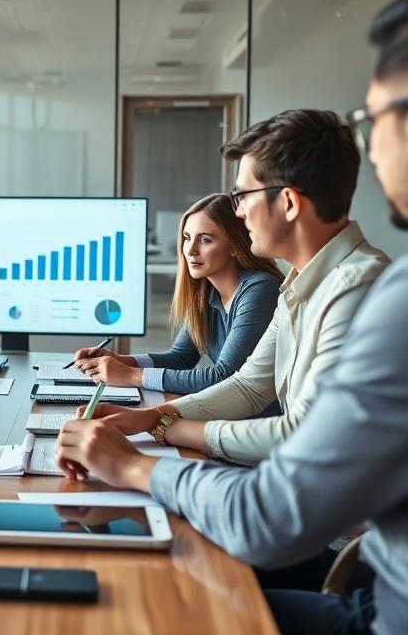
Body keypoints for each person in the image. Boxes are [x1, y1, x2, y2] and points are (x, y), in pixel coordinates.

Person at [56, 0, 408, 635]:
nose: (373, 154)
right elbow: (254, 383)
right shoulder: (311, 285)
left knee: (140, 614)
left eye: (372, 122)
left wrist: (137, 463)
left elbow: (273, 517)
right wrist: (152, 416)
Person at [95, 109, 390, 466]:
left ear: (288, 203)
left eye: (243, 196)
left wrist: (166, 427)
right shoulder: (301, 284)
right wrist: (149, 417)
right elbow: (248, 386)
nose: (237, 212)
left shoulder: (355, 287)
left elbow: (303, 435)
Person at [71, 194, 282, 394]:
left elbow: (224, 377)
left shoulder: (260, 289)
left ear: (235, 246)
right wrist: (122, 361)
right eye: (187, 238)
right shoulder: (206, 293)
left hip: (260, 425)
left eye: (205, 240)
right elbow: (181, 357)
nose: (190, 250)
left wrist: (130, 375)